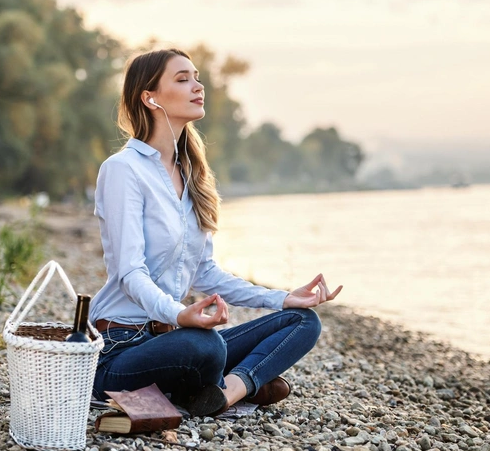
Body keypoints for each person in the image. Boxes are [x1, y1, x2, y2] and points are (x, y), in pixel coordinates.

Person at [90, 48, 342, 416]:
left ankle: (226, 393)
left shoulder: (191, 173)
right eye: (183, 79)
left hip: (171, 337)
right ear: (150, 97)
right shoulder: (123, 170)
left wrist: (283, 298)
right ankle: (230, 382)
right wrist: (180, 315)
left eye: (196, 77)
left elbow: (205, 272)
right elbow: (130, 273)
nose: (198, 86)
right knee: (206, 348)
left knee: (302, 321)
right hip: (120, 349)